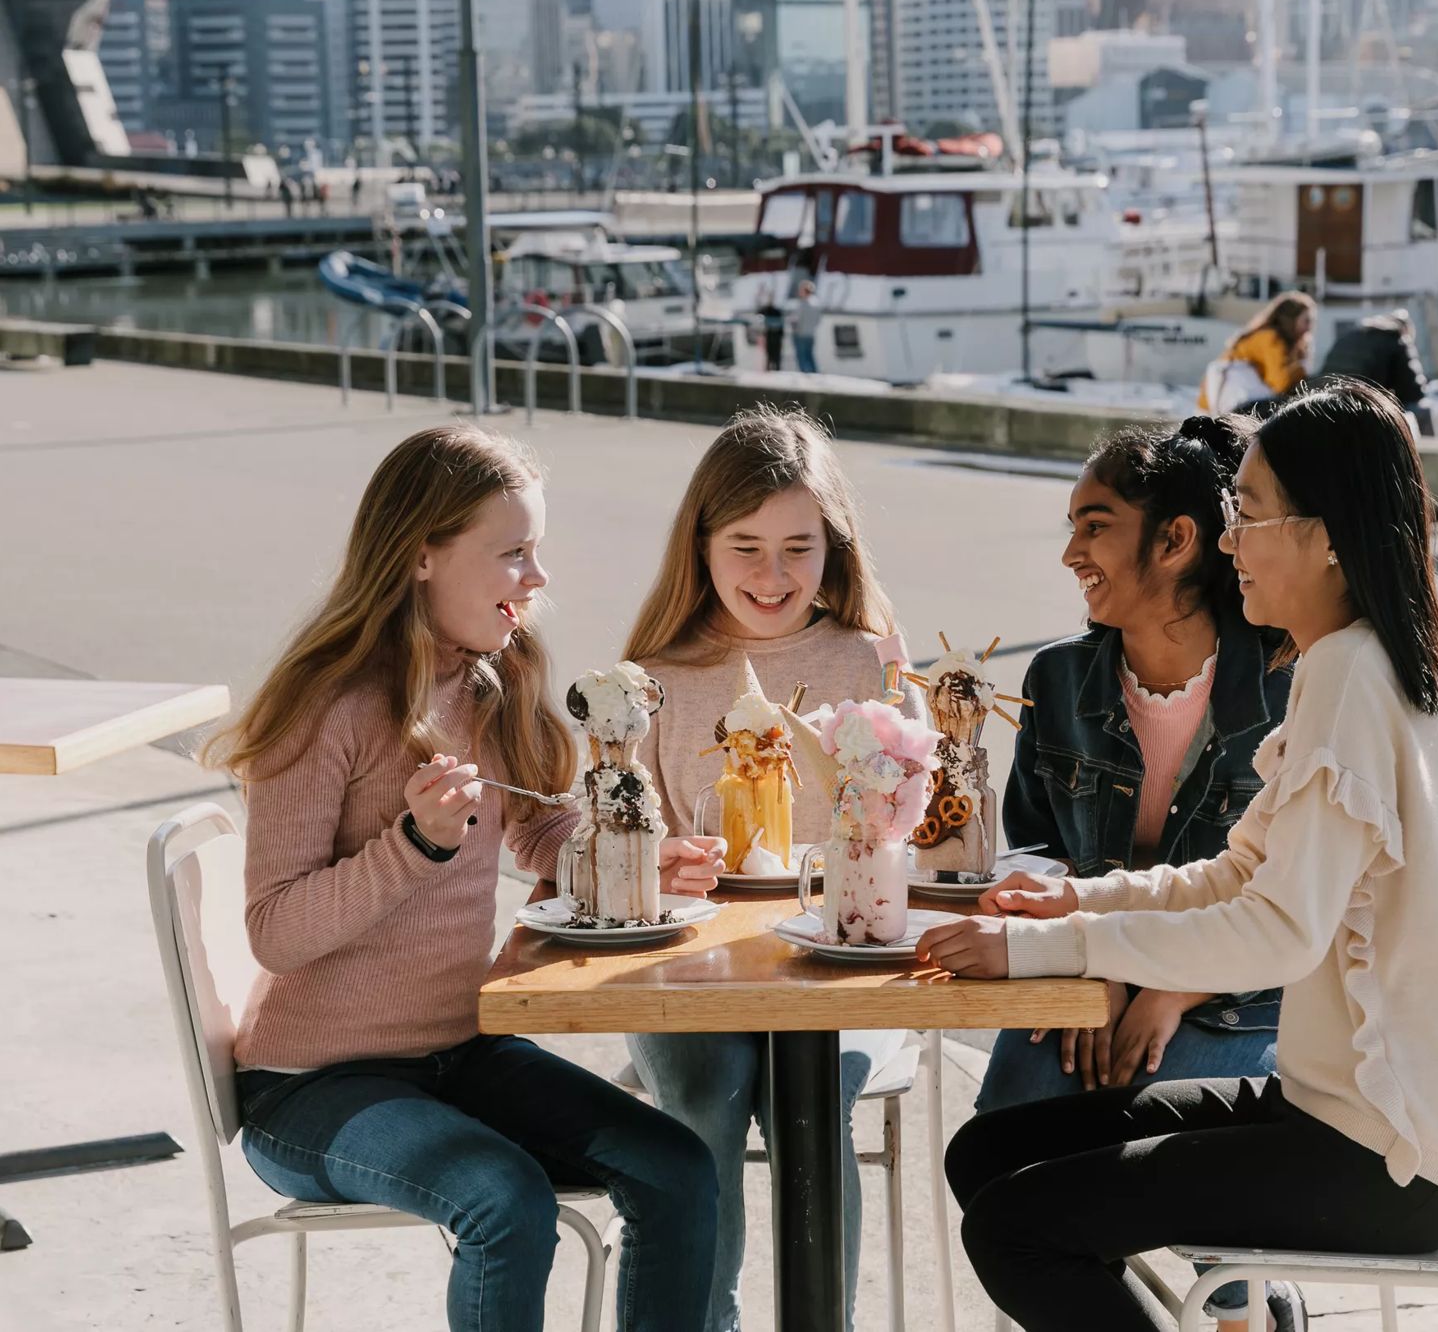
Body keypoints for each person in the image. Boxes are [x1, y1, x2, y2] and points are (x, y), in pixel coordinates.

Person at [920, 381, 1438, 1332]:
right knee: (990, 1158)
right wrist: (1074, 910)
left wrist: (1043, 953)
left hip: (1389, 1159)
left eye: (1251, 514)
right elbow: (1239, 874)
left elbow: (1275, 932)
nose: (1229, 541)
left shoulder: (1354, 673)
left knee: (1014, 1227)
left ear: (1326, 537)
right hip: (1332, 1116)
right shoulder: (1349, 662)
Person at [205, 426, 719, 1332]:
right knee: (503, 1198)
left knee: (675, 1166)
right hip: (311, 1086)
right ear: (421, 558)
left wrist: (632, 863)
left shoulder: (493, 676)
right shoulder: (323, 704)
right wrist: (416, 844)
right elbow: (273, 930)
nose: (539, 577)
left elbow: (542, 829)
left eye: (538, 551)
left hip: (457, 1051)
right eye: (514, 553)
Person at [621, 404, 920, 1332]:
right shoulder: (653, 676)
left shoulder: (870, 661)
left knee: (813, 1090)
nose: (772, 574)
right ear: (700, 545)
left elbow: (920, 828)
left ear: (833, 548)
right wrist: (658, 867)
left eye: (798, 547)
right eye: (745, 546)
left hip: (837, 957)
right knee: (707, 1096)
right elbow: (608, 851)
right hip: (690, 963)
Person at [976, 415, 1287, 1132]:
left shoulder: (1288, 689)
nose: (1069, 554)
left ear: (1176, 540)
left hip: (1236, 993)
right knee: (1002, 1132)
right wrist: (1092, 967)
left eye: (1094, 526)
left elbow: (1294, 902)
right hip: (1084, 969)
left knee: (1119, 1128)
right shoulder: (1055, 679)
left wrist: (1172, 987)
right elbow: (1035, 853)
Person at [1199, 291, 1316, 414]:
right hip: (1226, 404)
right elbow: (1280, 384)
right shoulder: (1270, 338)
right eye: (1307, 321)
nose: (1310, 327)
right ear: (1291, 320)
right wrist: (1301, 369)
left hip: (1217, 402)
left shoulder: (1277, 339)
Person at [1317, 309, 1428, 415]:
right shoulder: (1396, 339)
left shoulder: (1351, 335)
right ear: (1406, 330)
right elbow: (1413, 392)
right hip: (1359, 404)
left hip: (1327, 399)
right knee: (1420, 410)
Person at [789, 278, 820, 375]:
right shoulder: (816, 303)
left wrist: (794, 327)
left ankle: (805, 375)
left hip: (800, 334)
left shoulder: (802, 304)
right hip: (811, 334)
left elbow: (797, 320)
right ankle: (815, 374)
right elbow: (818, 320)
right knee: (810, 355)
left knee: (802, 357)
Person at [757, 278, 786, 372]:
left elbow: (781, 325)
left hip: (776, 336)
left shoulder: (777, 311)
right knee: (768, 355)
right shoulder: (765, 310)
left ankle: (777, 371)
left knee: (776, 355)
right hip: (769, 335)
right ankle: (768, 370)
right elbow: (758, 312)